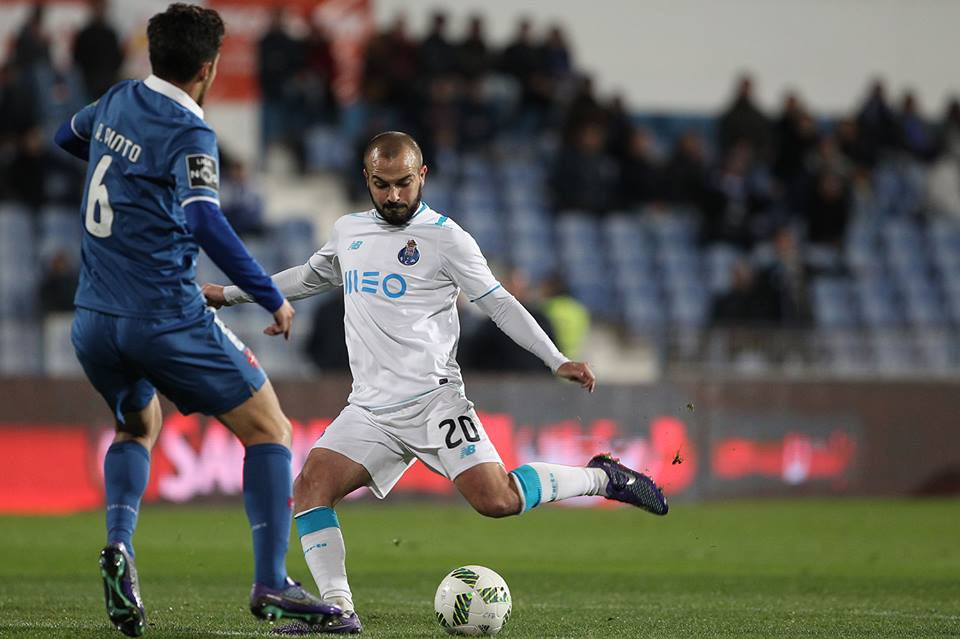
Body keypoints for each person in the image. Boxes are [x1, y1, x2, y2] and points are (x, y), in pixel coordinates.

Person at [203, 131, 669, 635]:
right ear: (367, 179)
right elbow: (307, 277)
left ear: (422, 175)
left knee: (498, 501)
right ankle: (338, 610)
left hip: (435, 403)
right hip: (369, 410)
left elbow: (499, 303)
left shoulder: (447, 239)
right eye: (382, 184)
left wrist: (554, 358)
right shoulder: (348, 230)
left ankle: (602, 478)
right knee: (312, 487)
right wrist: (229, 295)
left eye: (403, 183)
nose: (393, 195)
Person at [51, 4, 341, 637]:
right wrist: (268, 295)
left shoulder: (116, 99)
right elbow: (206, 219)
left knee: (137, 426)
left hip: (94, 319)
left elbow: (65, 139)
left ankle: (119, 545)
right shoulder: (190, 131)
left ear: (151, 54)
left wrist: (129, 186)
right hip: (163, 315)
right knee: (269, 428)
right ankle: (272, 581)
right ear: (208, 68)